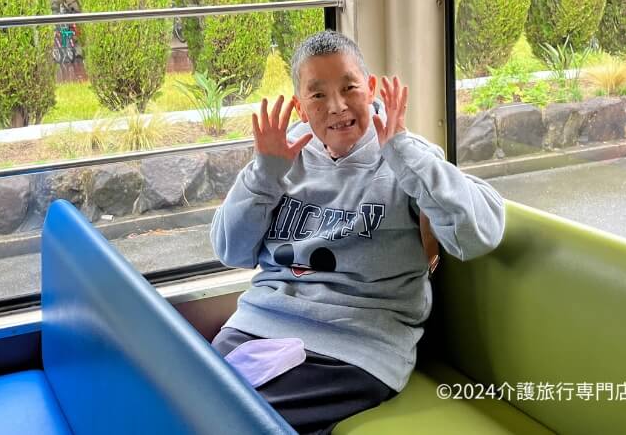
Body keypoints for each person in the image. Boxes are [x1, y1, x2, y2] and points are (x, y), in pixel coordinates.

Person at [210, 30, 506, 434]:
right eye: (318, 95)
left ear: (370, 89)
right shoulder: (283, 157)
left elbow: (479, 234)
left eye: (349, 87)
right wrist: (264, 174)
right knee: (185, 400)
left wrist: (403, 153)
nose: (337, 106)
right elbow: (230, 249)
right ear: (300, 106)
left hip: (354, 345)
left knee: (230, 422)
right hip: (257, 327)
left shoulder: (406, 156)